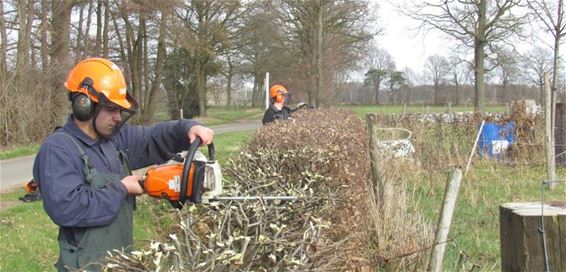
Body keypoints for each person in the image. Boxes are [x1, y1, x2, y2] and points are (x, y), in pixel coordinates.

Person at [32, 57, 213, 271]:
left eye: (120, 110)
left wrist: (189, 129)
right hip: (84, 266)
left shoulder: (114, 138)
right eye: (111, 109)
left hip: (118, 261)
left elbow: (153, 137)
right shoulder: (58, 149)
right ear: (84, 104)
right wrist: (122, 188)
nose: (118, 117)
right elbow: (67, 207)